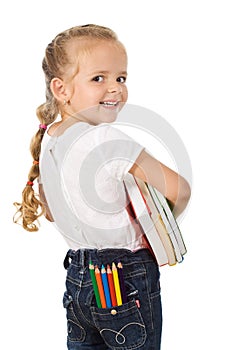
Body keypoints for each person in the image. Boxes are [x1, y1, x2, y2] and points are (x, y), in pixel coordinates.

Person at [14, 24, 191, 349]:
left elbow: (52, 213)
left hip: (77, 278)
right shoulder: (103, 138)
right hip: (126, 276)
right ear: (61, 88)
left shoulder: (50, 139)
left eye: (120, 78)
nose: (115, 89)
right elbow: (179, 190)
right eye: (99, 78)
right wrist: (156, 227)